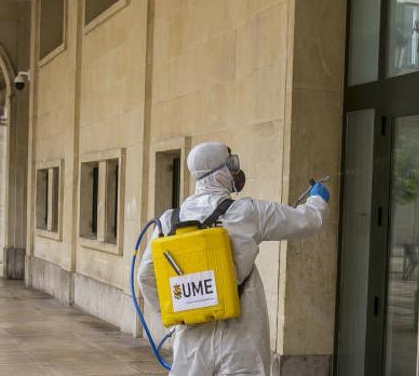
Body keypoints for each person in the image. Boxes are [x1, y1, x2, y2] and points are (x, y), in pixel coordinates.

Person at [137, 141, 330, 375]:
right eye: (231, 164)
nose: (235, 171)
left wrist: (174, 315)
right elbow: (307, 222)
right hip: (242, 340)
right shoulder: (247, 212)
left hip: (192, 341)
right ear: (219, 172)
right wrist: (317, 200)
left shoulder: (168, 221)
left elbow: (145, 276)